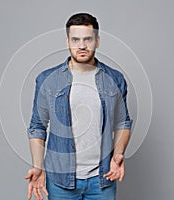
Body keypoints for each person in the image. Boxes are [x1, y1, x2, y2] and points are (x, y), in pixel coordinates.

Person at [25, 13, 133, 200]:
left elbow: (122, 123)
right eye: (75, 39)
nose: (82, 45)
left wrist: (118, 154)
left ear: (97, 41)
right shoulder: (48, 80)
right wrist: (38, 166)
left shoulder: (115, 79)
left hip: (102, 179)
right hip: (60, 180)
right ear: (67, 41)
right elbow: (37, 127)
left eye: (88, 39)